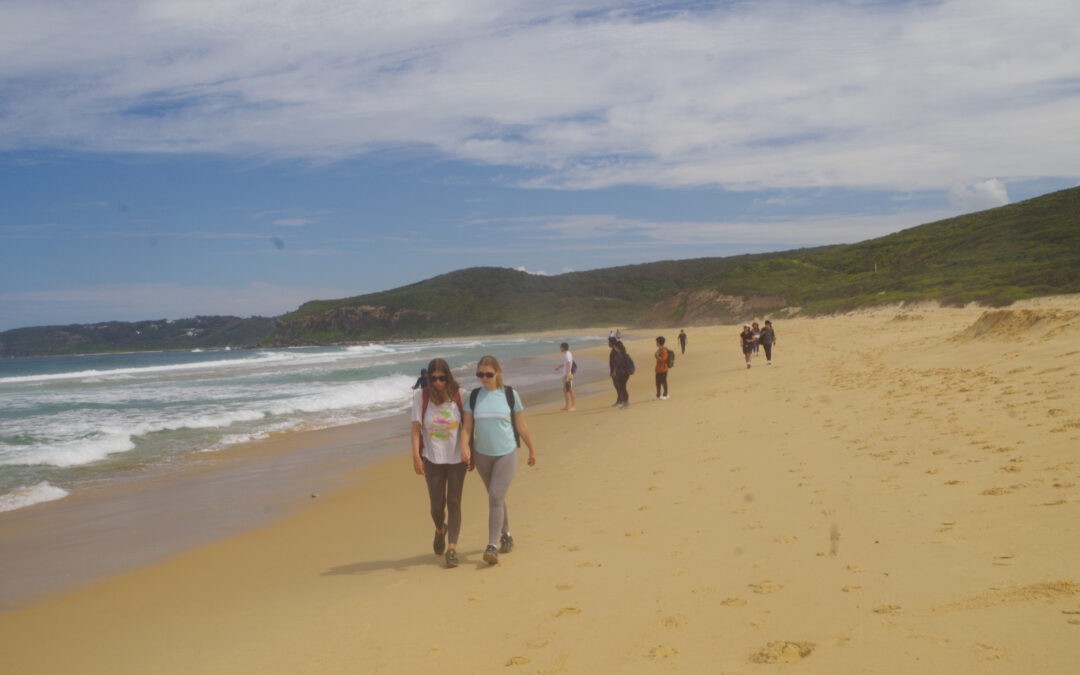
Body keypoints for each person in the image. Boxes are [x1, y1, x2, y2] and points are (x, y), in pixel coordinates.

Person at [460, 355, 537, 565]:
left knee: (495, 495)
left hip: (506, 453)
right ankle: (507, 535)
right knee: (497, 498)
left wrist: (531, 449)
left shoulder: (510, 395)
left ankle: (492, 546)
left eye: (488, 374)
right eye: (480, 375)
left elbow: (521, 426)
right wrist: (464, 447)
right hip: (482, 455)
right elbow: (466, 427)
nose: (484, 378)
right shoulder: (474, 397)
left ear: (498, 373)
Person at [410, 359, 467, 568]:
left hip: (456, 458)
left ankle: (452, 549)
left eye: (441, 378)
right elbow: (416, 428)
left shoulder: (460, 394)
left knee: (454, 501)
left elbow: (468, 425)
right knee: (436, 506)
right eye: (433, 379)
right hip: (431, 457)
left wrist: (469, 449)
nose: (437, 382)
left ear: (448, 377)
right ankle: (440, 529)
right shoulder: (420, 397)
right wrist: (416, 455)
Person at [555, 342, 576, 411]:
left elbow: (569, 365)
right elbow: (566, 364)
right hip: (566, 374)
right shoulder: (567, 354)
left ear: (563, 348)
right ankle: (567, 406)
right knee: (565, 390)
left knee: (570, 390)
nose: (560, 348)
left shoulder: (567, 355)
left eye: (561, 347)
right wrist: (559, 366)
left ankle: (573, 406)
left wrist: (567, 376)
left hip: (568, 375)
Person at [612, 340, 634, 408]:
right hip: (626, 373)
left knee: (622, 387)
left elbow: (617, 365)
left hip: (621, 373)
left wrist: (614, 372)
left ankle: (626, 402)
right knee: (623, 387)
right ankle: (625, 401)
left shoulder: (619, 355)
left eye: (615, 347)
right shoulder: (624, 353)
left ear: (616, 347)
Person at [653, 336, 670, 400]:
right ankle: (658, 395)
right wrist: (657, 355)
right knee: (657, 383)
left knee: (664, 382)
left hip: (663, 369)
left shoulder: (664, 350)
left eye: (656, 342)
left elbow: (664, 359)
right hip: (658, 369)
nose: (656, 343)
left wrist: (657, 356)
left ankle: (665, 394)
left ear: (659, 343)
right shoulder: (659, 349)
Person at [608, 337, 621, 406]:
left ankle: (620, 400)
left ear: (612, 343)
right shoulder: (614, 350)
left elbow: (617, 362)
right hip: (615, 371)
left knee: (618, 386)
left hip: (616, 371)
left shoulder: (615, 350)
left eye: (609, 342)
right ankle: (620, 399)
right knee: (617, 386)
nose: (608, 344)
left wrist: (614, 371)